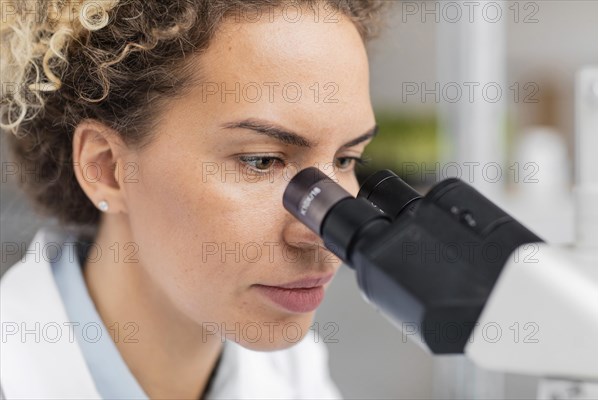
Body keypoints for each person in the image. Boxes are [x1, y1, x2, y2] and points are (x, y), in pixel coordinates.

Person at [0, 0, 389, 398]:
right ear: (107, 168)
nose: (325, 233)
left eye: (345, 159)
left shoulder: (295, 374)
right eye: (262, 160)